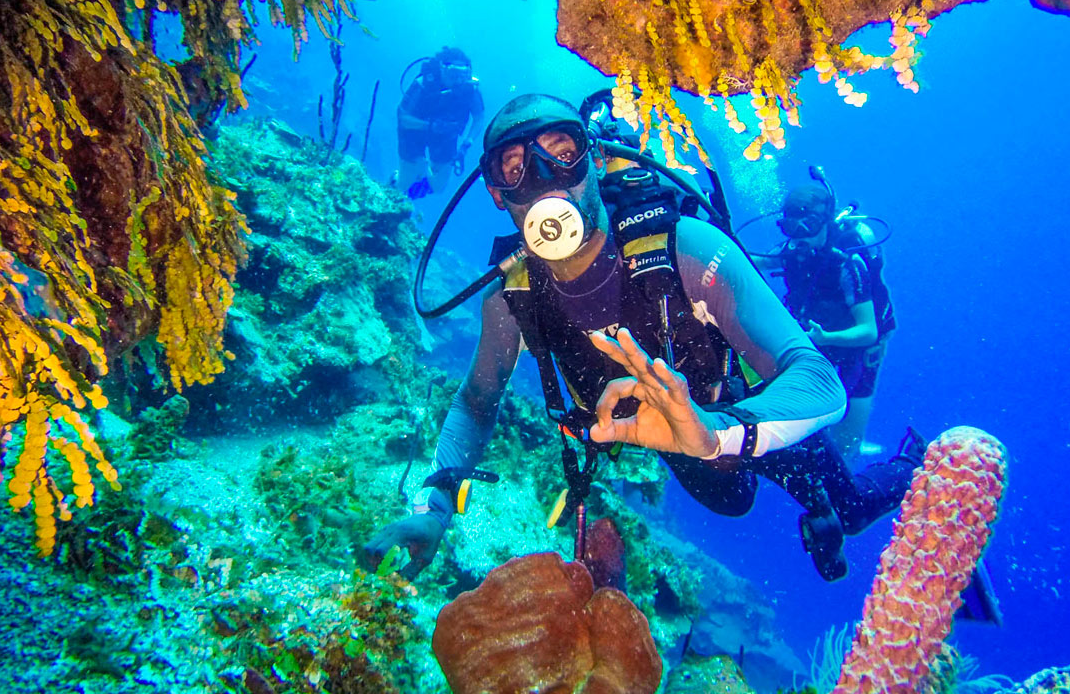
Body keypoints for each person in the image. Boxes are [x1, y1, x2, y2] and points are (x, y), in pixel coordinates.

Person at [362, 93, 925, 584]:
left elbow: (818, 380)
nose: (543, 178)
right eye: (514, 166)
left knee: (849, 507)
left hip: (739, 411)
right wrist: (433, 505)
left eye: (561, 152)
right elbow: (476, 401)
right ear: (494, 192)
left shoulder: (686, 245)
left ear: (594, 160)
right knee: (733, 503)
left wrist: (714, 432)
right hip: (675, 442)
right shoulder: (511, 293)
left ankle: (917, 465)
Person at [772, 180, 897, 463]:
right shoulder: (796, 249)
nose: (799, 236)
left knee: (847, 444)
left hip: (861, 347)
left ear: (826, 223)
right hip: (821, 336)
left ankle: (853, 455)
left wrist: (826, 338)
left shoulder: (847, 262)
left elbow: (868, 331)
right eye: (791, 228)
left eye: (808, 227)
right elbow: (754, 261)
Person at [395, 47, 484, 198]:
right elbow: (403, 118)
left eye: (462, 74)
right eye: (453, 73)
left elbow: (479, 117)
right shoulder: (424, 84)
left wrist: (467, 143)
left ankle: (417, 183)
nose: (458, 79)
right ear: (442, 68)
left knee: (438, 186)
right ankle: (398, 181)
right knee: (405, 181)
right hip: (413, 133)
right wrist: (431, 126)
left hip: (446, 135)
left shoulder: (470, 90)